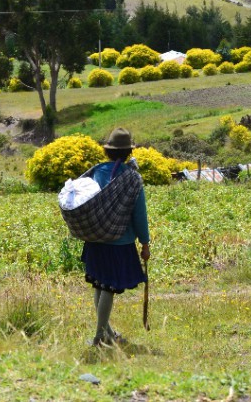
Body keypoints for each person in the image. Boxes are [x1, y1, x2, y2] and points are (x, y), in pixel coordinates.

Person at [81, 127, 150, 346]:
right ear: (129, 151)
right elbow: (139, 214)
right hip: (119, 241)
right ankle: (100, 336)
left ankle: (108, 332)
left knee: (99, 284)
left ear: (108, 151)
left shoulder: (97, 171)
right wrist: (145, 242)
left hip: (94, 238)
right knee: (109, 287)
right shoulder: (132, 178)